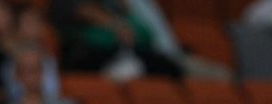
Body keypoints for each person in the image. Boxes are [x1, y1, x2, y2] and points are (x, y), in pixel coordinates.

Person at [48, 0, 182, 78]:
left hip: (133, 51)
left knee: (169, 68)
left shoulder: (110, 4)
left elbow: (129, 14)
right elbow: (81, 9)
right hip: (89, 55)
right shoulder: (67, 5)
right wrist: (116, 25)